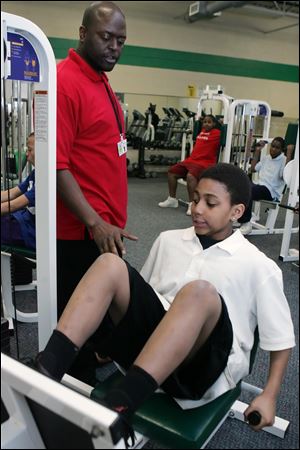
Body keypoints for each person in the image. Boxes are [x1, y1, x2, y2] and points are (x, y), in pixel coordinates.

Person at [35, 163, 295, 445]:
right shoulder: (168, 240)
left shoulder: (259, 266)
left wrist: (269, 394)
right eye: (195, 199)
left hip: (200, 370)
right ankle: (44, 371)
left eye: (210, 203)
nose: (197, 208)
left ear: (236, 212)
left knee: (198, 292)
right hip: (148, 354)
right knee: (110, 263)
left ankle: (119, 405)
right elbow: (139, 300)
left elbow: (280, 340)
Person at [55, 1, 137, 381]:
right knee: (76, 312)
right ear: (84, 33)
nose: (114, 48)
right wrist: (95, 221)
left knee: (101, 308)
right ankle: (73, 395)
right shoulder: (65, 82)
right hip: (78, 231)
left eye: (121, 40)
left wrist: (111, 220)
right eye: (107, 37)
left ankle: (95, 356)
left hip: (104, 226)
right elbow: (56, 166)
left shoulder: (100, 79)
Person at [158, 114, 221, 215]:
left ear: (214, 124)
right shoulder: (202, 131)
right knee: (172, 172)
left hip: (205, 163)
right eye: (205, 122)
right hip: (191, 161)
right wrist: (199, 120)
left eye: (209, 122)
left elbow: (225, 131)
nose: (206, 124)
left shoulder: (217, 133)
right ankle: (172, 200)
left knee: (190, 176)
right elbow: (200, 124)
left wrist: (222, 123)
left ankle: (193, 204)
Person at [238, 137, 287, 235]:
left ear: (281, 150)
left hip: (271, 191)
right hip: (260, 185)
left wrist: (289, 153)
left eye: (277, 148)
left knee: (249, 190)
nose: (273, 149)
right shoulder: (267, 157)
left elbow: (283, 176)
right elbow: (253, 169)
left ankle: (246, 223)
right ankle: (239, 215)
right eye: (272, 146)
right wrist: (257, 151)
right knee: (240, 184)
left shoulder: (284, 160)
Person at [1, 132, 36, 250]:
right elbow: (12, 193)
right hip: (24, 219)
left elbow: (14, 205)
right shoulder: (35, 173)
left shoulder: (47, 180)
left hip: (31, 230)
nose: (27, 154)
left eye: (30, 150)